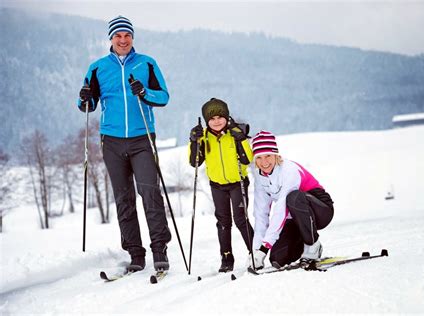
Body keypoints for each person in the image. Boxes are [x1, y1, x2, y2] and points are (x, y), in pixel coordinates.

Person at [77, 16, 172, 272]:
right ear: (111, 38)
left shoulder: (146, 63)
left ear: (132, 37)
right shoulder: (97, 68)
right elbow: (88, 105)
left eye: (127, 35)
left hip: (142, 138)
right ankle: (135, 253)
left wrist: (145, 93)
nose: (122, 40)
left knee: (150, 192)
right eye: (118, 36)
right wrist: (83, 98)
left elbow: (163, 96)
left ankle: (159, 248)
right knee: (123, 198)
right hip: (112, 141)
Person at [248, 130, 334, 270]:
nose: (264, 162)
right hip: (294, 217)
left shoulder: (289, 170)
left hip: (320, 210)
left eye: (268, 156)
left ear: (276, 154)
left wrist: (265, 247)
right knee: (277, 259)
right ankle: (301, 246)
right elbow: (261, 215)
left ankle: (313, 246)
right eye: (259, 157)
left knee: (293, 197)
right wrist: (257, 251)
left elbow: (281, 208)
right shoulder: (260, 177)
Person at [188, 98, 254, 272]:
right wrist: (194, 141)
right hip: (217, 185)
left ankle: (255, 252)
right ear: (206, 121)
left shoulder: (235, 133)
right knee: (223, 222)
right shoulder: (204, 137)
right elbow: (195, 162)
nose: (216, 121)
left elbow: (248, 158)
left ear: (226, 117)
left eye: (220, 117)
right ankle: (226, 257)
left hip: (238, 182)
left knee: (241, 219)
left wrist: (240, 138)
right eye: (212, 118)